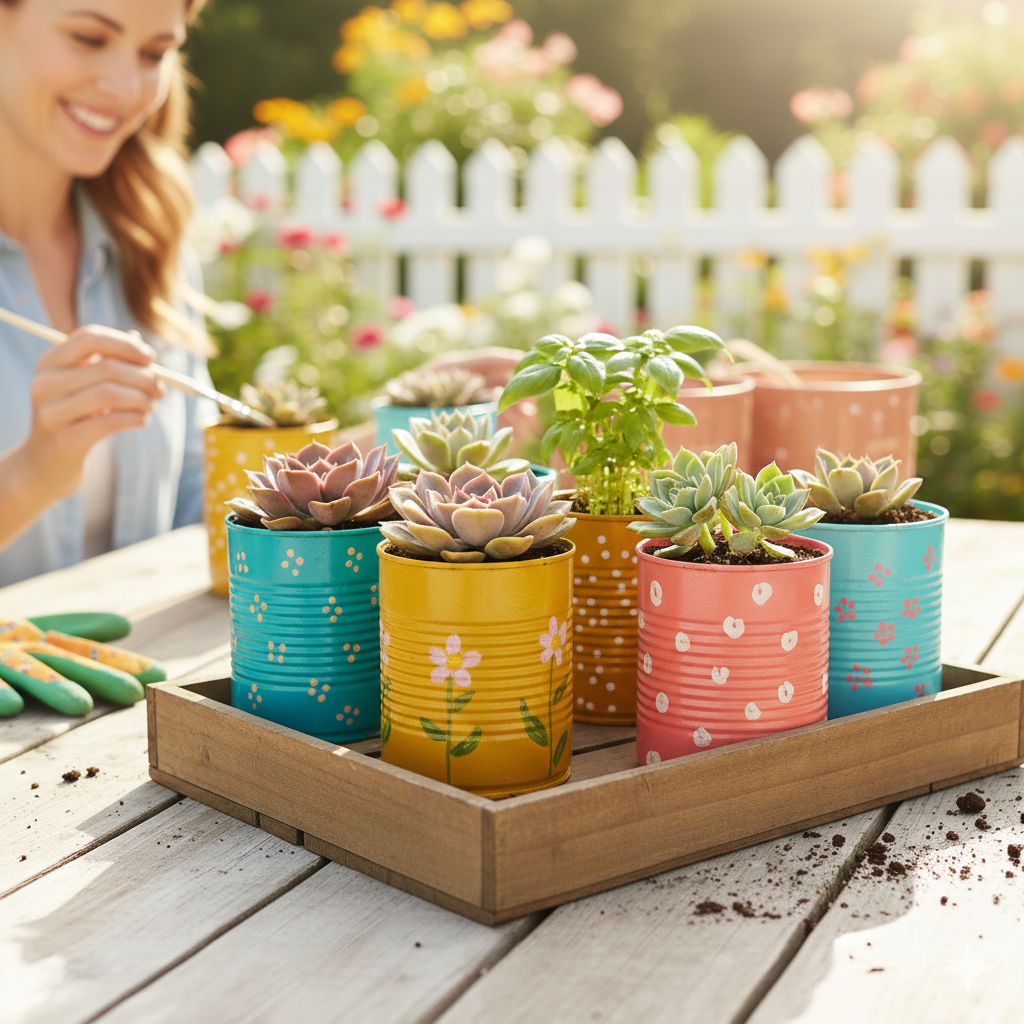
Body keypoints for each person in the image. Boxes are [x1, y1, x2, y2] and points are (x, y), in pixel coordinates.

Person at [0, 0, 214, 586]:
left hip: (141, 674)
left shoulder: (148, 243)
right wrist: (32, 473)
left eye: (153, 53)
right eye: (90, 38)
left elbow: (205, 504)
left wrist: (396, 435)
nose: (125, 87)